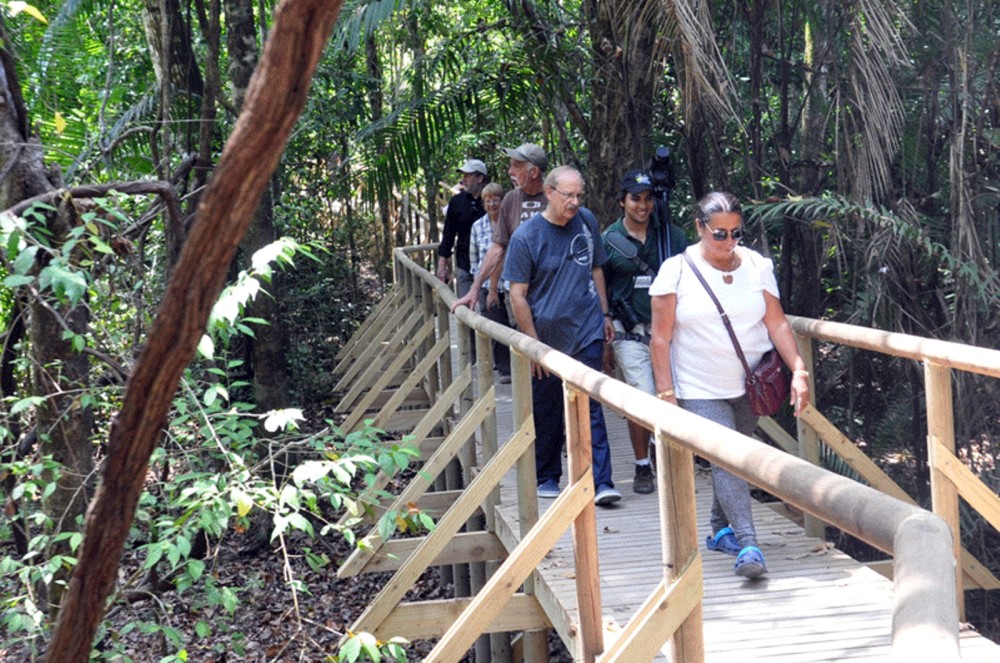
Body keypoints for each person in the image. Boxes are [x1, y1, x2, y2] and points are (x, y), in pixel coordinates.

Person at [648, 191, 810, 578]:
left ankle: (719, 531)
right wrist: (666, 394)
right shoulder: (677, 270)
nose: (729, 242)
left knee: (733, 460)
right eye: (719, 234)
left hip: (751, 383)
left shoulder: (756, 265)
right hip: (699, 386)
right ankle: (749, 543)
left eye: (736, 233)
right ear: (700, 228)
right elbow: (660, 339)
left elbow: (777, 323)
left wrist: (799, 369)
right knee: (727, 456)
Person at [503, 165, 622, 507]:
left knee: (591, 403)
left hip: (586, 328)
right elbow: (517, 294)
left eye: (578, 195)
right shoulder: (527, 237)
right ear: (549, 193)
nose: (574, 202)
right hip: (546, 337)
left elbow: (597, 267)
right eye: (568, 195)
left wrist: (604, 314)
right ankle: (548, 475)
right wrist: (533, 343)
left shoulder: (586, 221)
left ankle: (601, 481)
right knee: (549, 406)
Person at [602, 169, 687, 494]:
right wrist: (605, 319)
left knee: (668, 393)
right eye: (635, 198)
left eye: (648, 199)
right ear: (623, 201)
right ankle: (642, 464)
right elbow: (601, 284)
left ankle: (663, 451)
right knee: (642, 395)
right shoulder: (609, 239)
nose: (642, 205)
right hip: (630, 331)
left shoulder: (671, 235)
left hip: (669, 332)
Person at [450, 143, 548, 316]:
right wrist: (476, 289)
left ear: (534, 173)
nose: (510, 171)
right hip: (520, 297)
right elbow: (498, 248)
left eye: (516, 166)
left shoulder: (555, 198)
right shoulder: (510, 200)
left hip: (552, 295)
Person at [469, 182, 512, 383]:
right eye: (488, 200)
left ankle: (523, 367)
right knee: (496, 325)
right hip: (487, 286)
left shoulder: (511, 223)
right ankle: (505, 369)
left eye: (496, 199)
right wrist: (477, 286)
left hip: (511, 284)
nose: (492, 204)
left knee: (513, 325)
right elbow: (475, 259)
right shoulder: (477, 226)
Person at [436, 159, 487, 300]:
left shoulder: (493, 200)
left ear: (480, 178)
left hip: (488, 267)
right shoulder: (456, 202)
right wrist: (442, 266)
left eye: (467, 176)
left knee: (488, 311)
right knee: (463, 310)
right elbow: (448, 234)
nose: (463, 180)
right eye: (463, 176)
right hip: (464, 264)